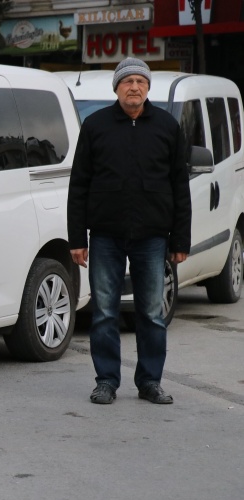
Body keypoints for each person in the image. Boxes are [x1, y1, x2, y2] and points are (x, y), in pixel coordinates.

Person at [67, 57, 191, 405]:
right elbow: (79, 185)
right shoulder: (96, 126)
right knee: (104, 311)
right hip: (105, 235)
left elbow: (180, 186)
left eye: (140, 80)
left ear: (148, 87)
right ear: (116, 88)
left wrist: (181, 239)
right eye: (127, 81)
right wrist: (77, 238)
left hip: (153, 237)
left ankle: (150, 381)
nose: (133, 86)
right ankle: (106, 380)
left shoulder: (166, 127)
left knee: (151, 313)